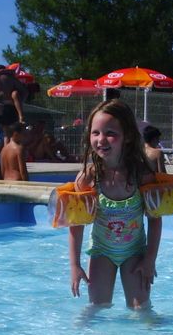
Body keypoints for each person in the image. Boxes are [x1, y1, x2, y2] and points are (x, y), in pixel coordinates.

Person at [68, 99, 162, 309]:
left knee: (141, 309)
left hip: (135, 252)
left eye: (110, 133)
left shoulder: (141, 175)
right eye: (96, 133)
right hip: (102, 251)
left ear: (127, 136)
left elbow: (155, 219)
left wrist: (149, 259)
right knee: (97, 308)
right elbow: (76, 223)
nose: (102, 139)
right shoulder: (88, 178)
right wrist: (75, 265)